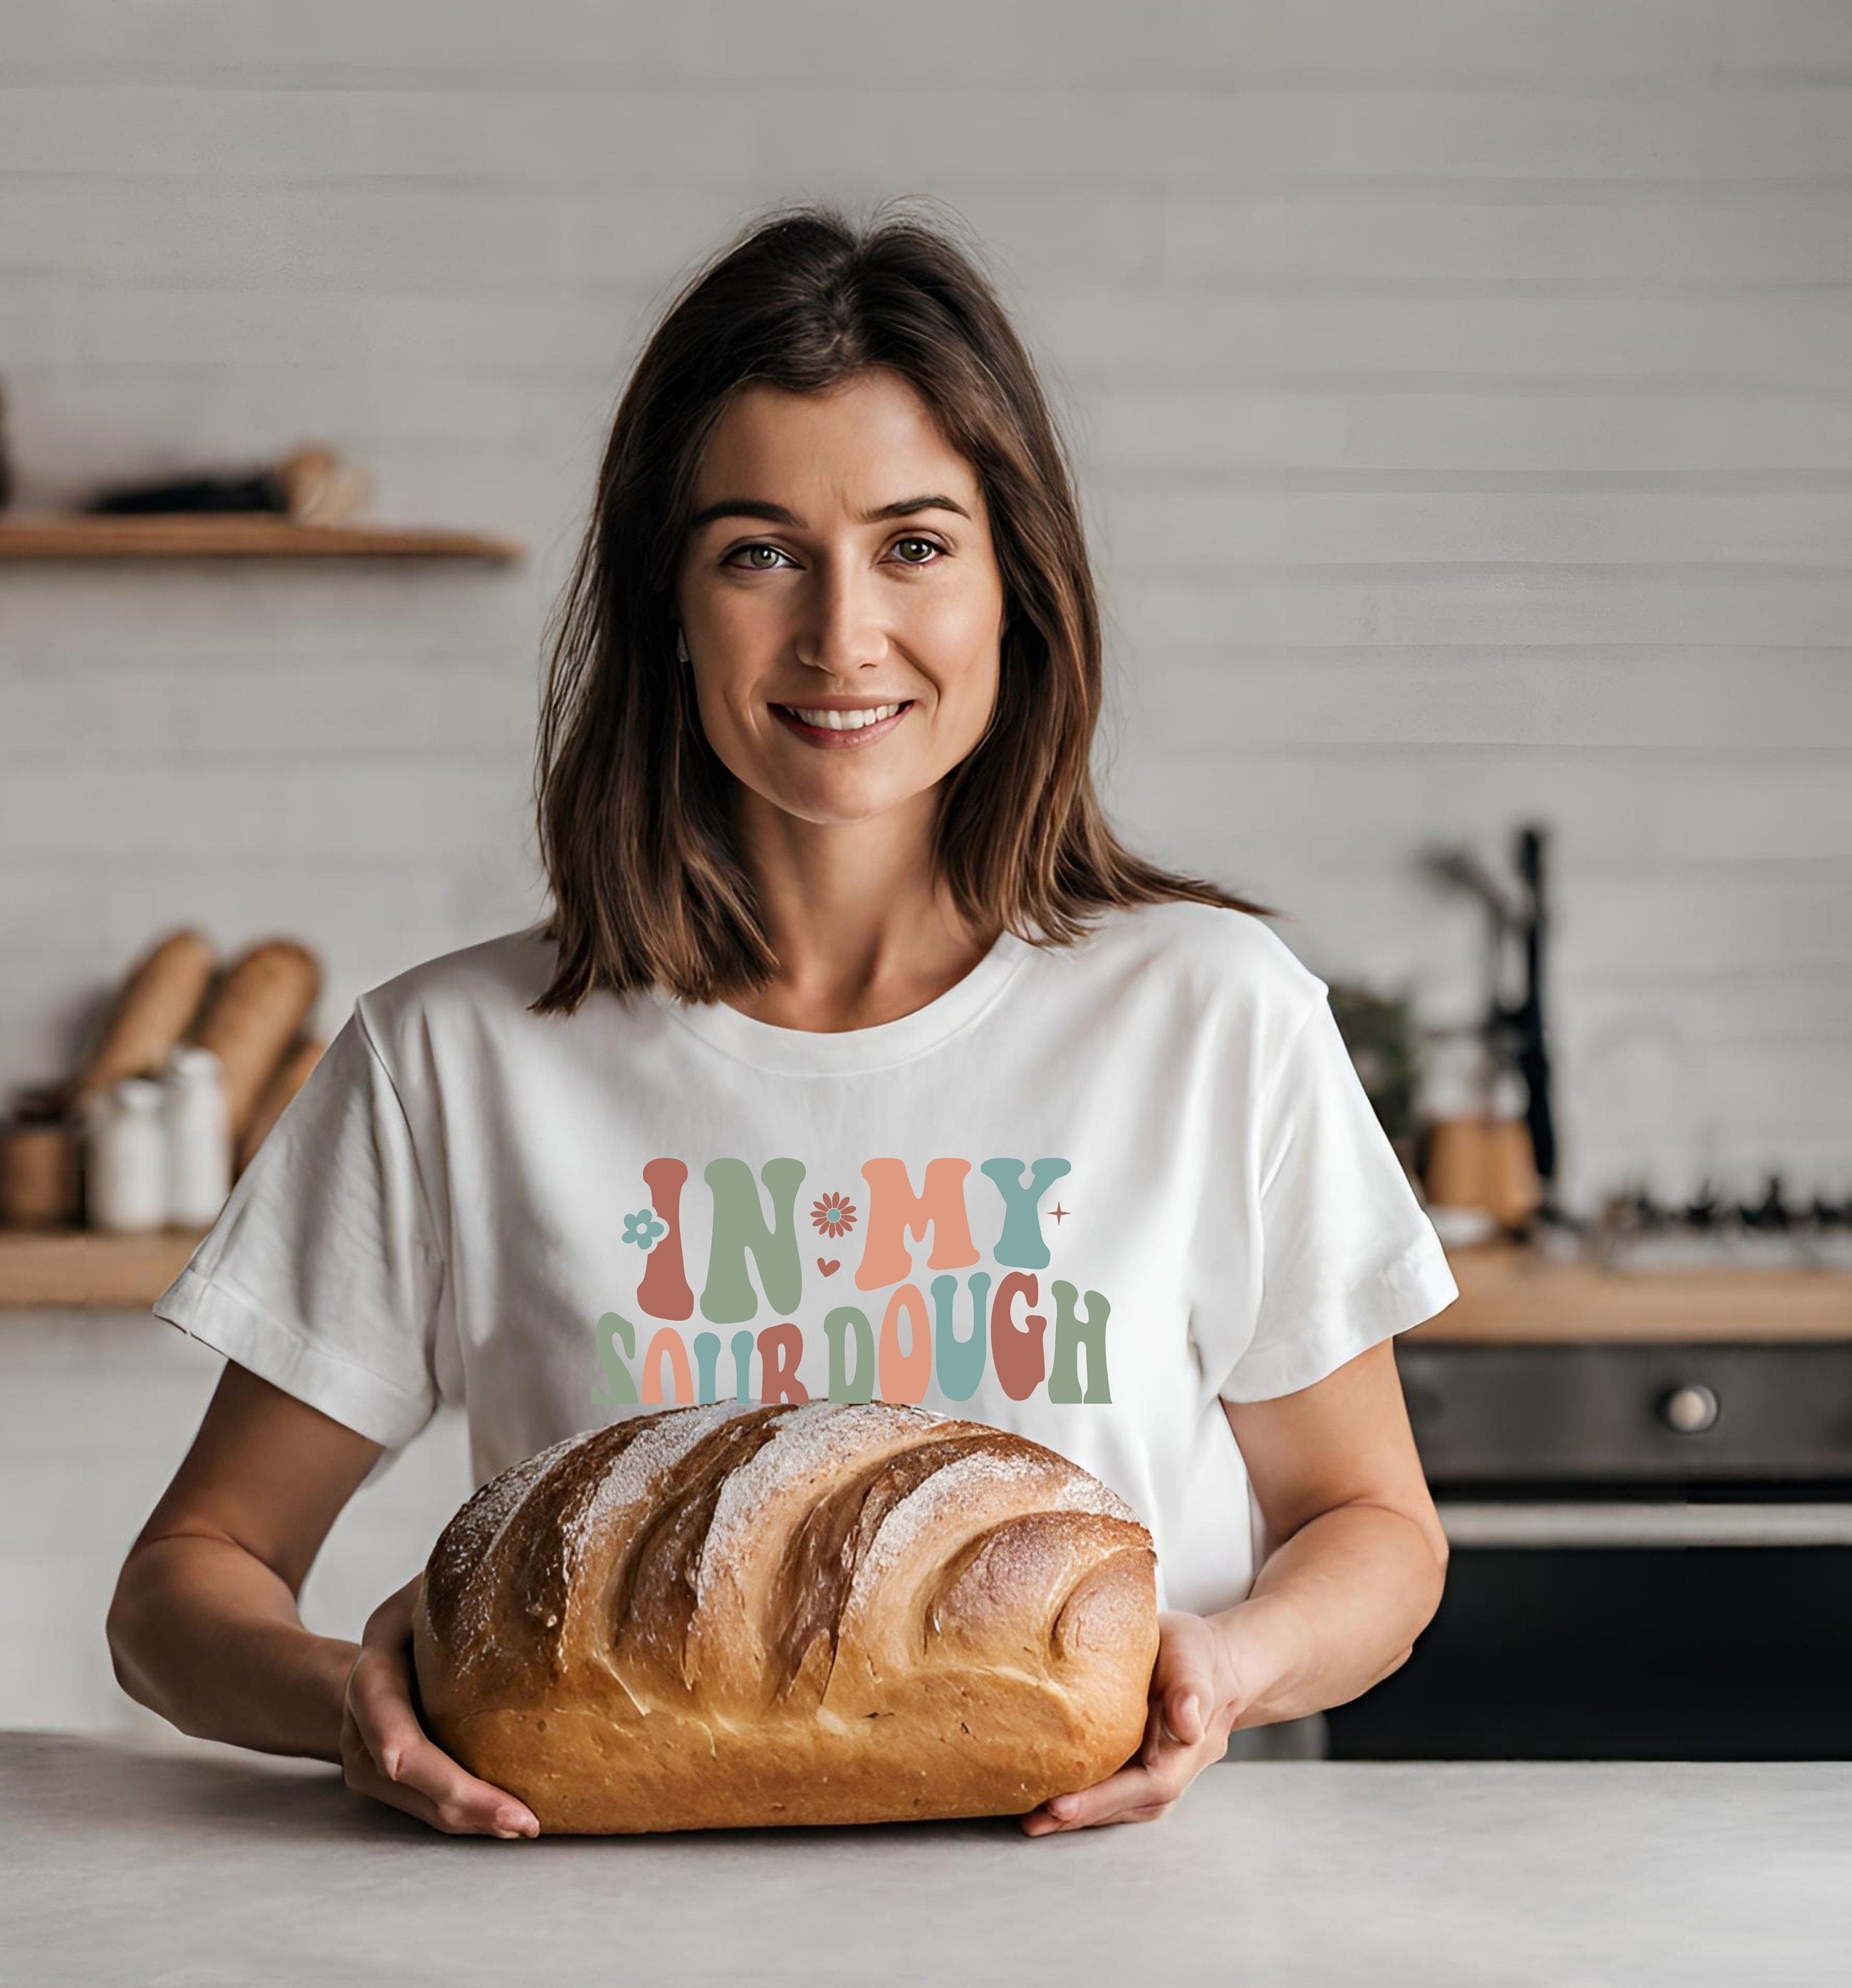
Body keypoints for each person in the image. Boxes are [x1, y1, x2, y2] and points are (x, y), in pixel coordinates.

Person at [108, 202, 1457, 1841]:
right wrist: (351, 1704)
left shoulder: (1210, 1013)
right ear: (667, 602)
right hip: (591, 1986)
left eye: (913, 544)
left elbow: (1374, 1527)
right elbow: (184, 1586)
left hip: (1119, 1973)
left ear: (1014, 585)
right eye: (760, 551)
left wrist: (1226, 1666)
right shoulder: (454, 1058)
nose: (841, 635)